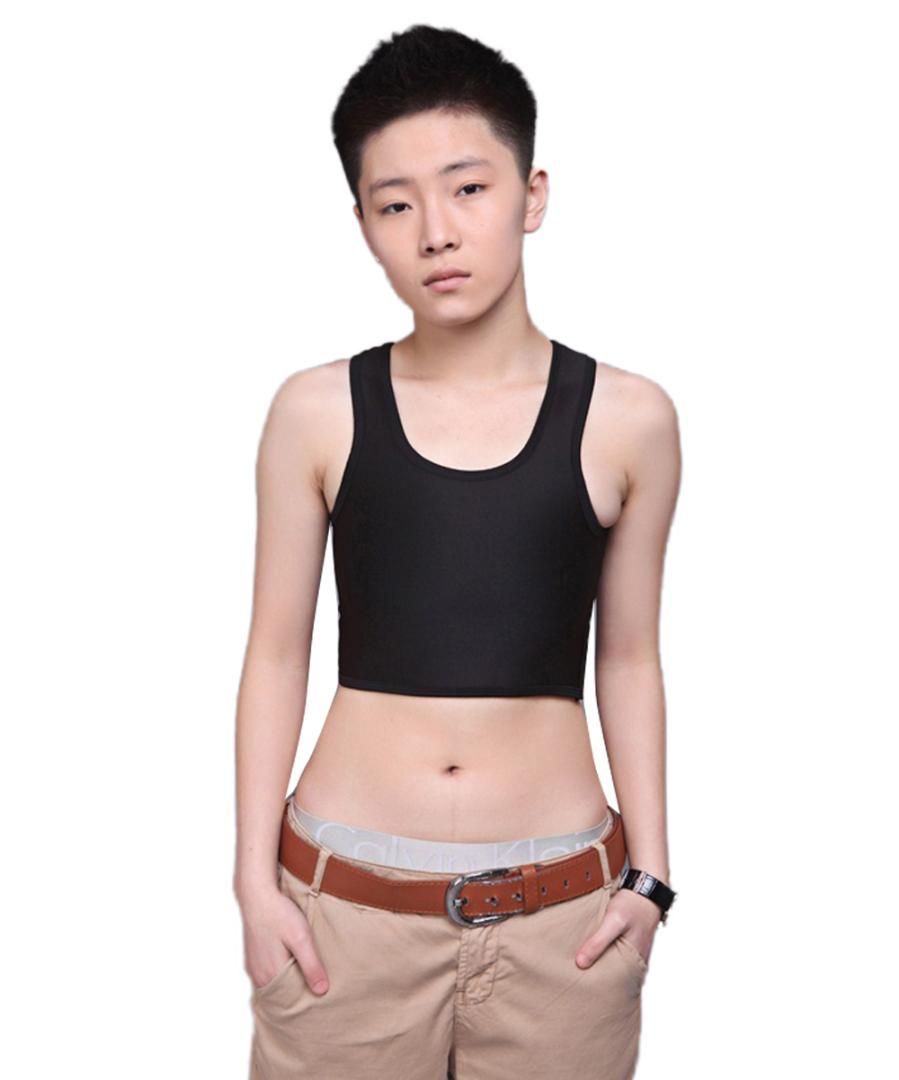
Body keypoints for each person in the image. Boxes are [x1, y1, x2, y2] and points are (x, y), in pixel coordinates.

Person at [233, 23, 680, 1080]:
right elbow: (275, 653)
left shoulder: (629, 419)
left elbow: (627, 656)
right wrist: (252, 882)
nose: (435, 232)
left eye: (468, 189)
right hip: (342, 915)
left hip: (565, 923)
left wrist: (652, 879)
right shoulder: (314, 411)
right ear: (363, 226)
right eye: (395, 205)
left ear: (530, 195)